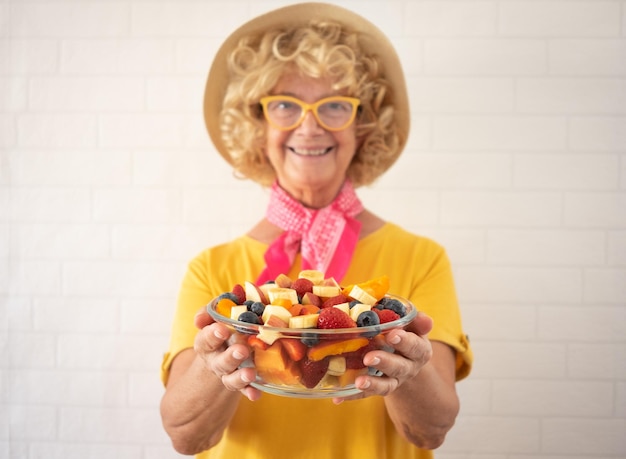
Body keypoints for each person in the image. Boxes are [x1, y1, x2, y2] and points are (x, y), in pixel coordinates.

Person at [160, 3, 473, 458]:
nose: (309, 126)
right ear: (258, 127)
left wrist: (411, 369)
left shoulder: (421, 258)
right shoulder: (212, 270)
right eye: (285, 105)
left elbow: (430, 432)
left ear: (364, 127)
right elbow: (185, 436)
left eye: (335, 106)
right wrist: (216, 365)